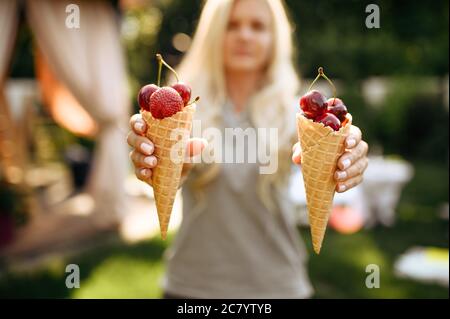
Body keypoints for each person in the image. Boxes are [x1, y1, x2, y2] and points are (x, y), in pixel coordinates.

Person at [127, 0, 369, 298]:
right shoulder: (182, 106)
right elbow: (166, 168)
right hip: (192, 286)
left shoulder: (299, 111)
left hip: (277, 286)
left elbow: (334, 173)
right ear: (213, 33)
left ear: (274, 37)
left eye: (257, 26)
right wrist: (158, 165)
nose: (244, 35)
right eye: (232, 25)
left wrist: (346, 160)